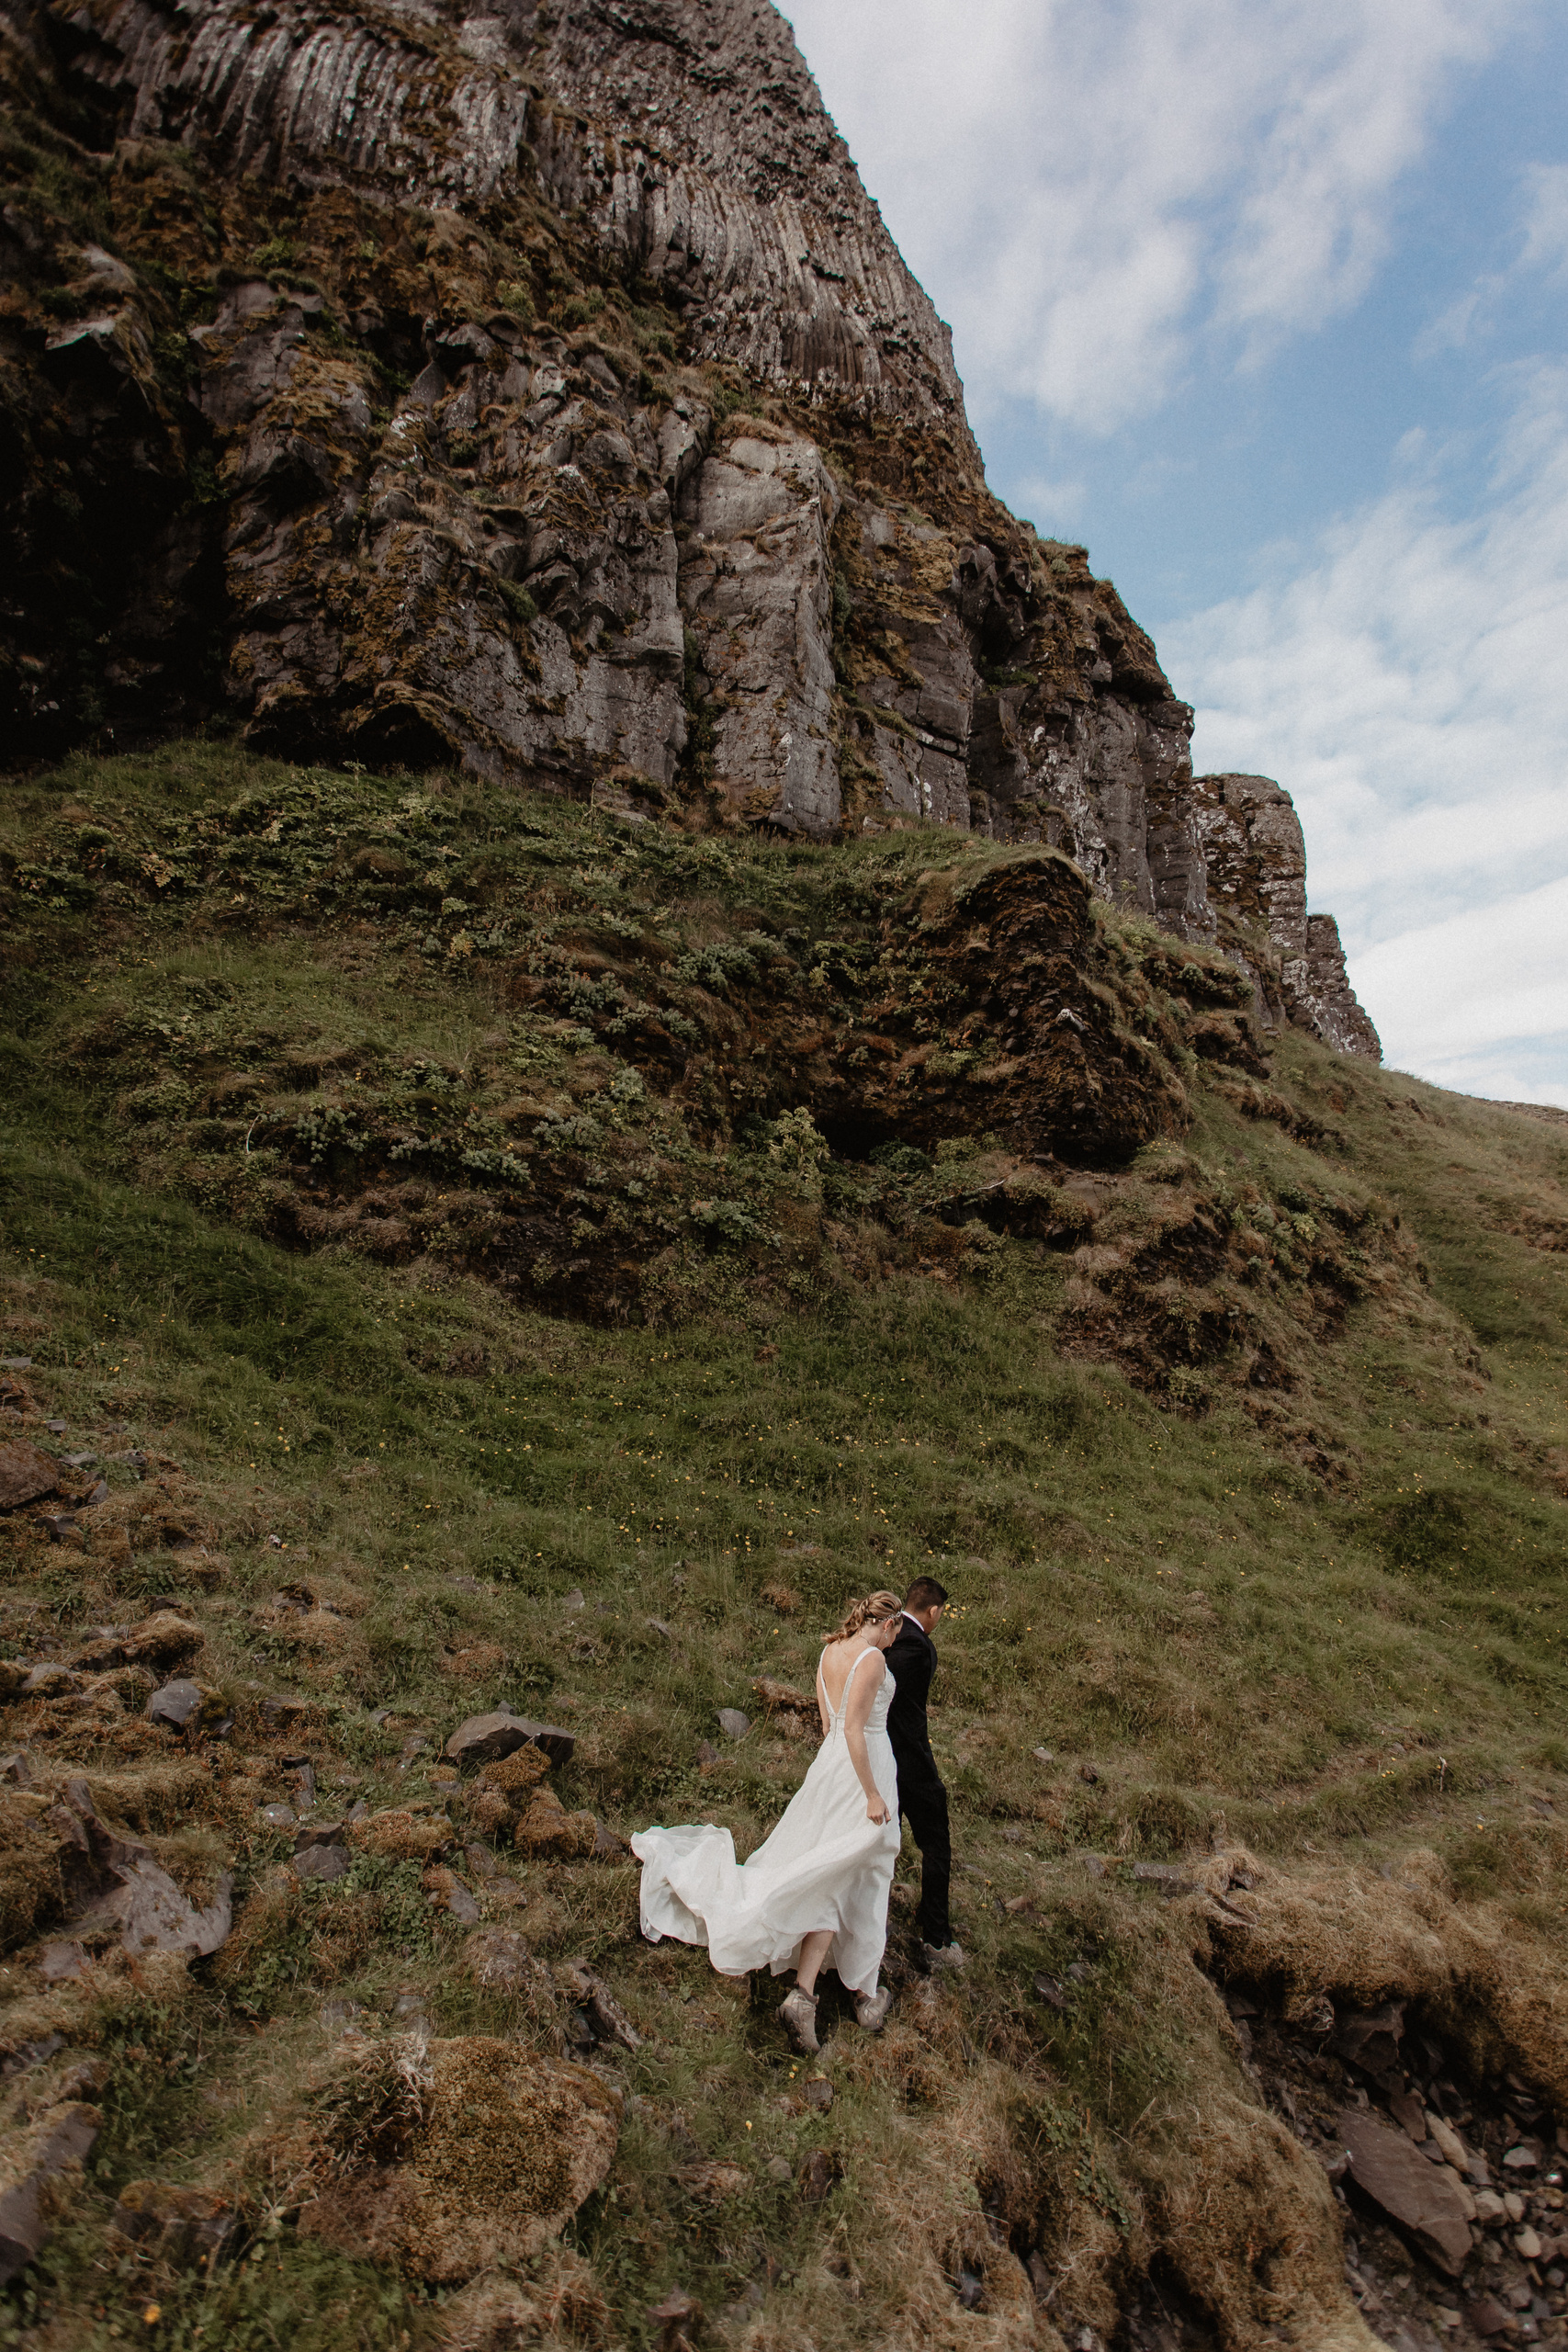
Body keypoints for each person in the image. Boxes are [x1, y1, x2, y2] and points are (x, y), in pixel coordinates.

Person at [632, 1590, 905, 2055]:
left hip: (831, 1766)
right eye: (896, 1631)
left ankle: (820, 1991)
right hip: (864, 1771)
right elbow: (858, 1730)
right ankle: (854, 1990)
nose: (896, 1639)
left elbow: (830, 1727)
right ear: (886, 1625)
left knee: (835, 1869)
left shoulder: (829, 1652)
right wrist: (874, 1793)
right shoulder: (872, 1660)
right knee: (859, 1869)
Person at [885, 1575, 964, 1972]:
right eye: (940, 1614)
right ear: (932, 1610)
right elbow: (907, 1712)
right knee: (936, 1844)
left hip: (879, 1760)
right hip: (910, 1762)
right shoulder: (920, 1647)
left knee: (882, 1844)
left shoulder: (886, 1635)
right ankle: (935, 1934)